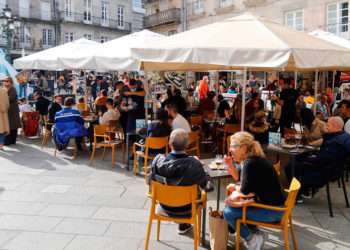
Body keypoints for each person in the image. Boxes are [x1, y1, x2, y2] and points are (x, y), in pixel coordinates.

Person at [223, 132, 285, 250]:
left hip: (274, 211)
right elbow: (240, 180)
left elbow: (245, 191)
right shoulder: (252, 160)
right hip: (275, 206)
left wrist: (232, 196)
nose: (230, 149)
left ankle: (252, 238)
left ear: (244, 148)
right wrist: (230, 165)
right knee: (236, 205)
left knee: (228, 213)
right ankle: (256, 233)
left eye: (233, 146)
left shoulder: (250, 163)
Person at [150, 129, 213, 233]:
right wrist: (204, 170)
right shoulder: (194, 164)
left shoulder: (157, 161)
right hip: (187, 210)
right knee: (200, 194)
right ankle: (184, 224)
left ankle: (183, 225)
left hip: (164, 206)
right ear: (187, 145)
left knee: (177, 190)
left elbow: (149, 182)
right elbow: (208, 187)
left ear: (170, 144)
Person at [285, 117, 350, 200]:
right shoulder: (344, 136)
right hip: (335, 169)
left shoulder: (335, 142)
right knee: (298, 160)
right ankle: (304, 191)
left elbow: (322, 159)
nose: (326, 127)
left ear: (335, 126)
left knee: (291, 166)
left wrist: (307, 159)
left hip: (325, 172)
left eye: (328, 125)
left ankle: (297, 195)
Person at [3, 77, 21, 145]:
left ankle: (10, 141)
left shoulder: (12, 88)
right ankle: (11, 141)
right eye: (5, 81)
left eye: (7, 81)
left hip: (13, 111)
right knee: (11, 126)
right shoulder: (6, 89)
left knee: (12, 126)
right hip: (10, 110)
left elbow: (11, 98)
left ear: (10, 82)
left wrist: (3, 97)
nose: (5, 82)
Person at [0, 85, 10, 150]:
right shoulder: (4, 91)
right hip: (3, 113)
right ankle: (1, 144)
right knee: (3, 130)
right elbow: (7, 104)